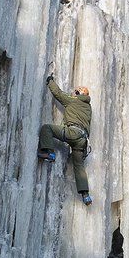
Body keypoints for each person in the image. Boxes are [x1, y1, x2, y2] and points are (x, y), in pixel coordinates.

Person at [38, 73, 93, 206]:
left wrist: (50, 81)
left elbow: (58, 94)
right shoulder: (88, 108)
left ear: (79, 94)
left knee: (47, 128)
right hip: (83, 141)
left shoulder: (74, 100)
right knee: (79, 166)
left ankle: (49, 152)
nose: (73, 93)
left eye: (75, 91)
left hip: (72, 133)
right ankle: (85, 195)